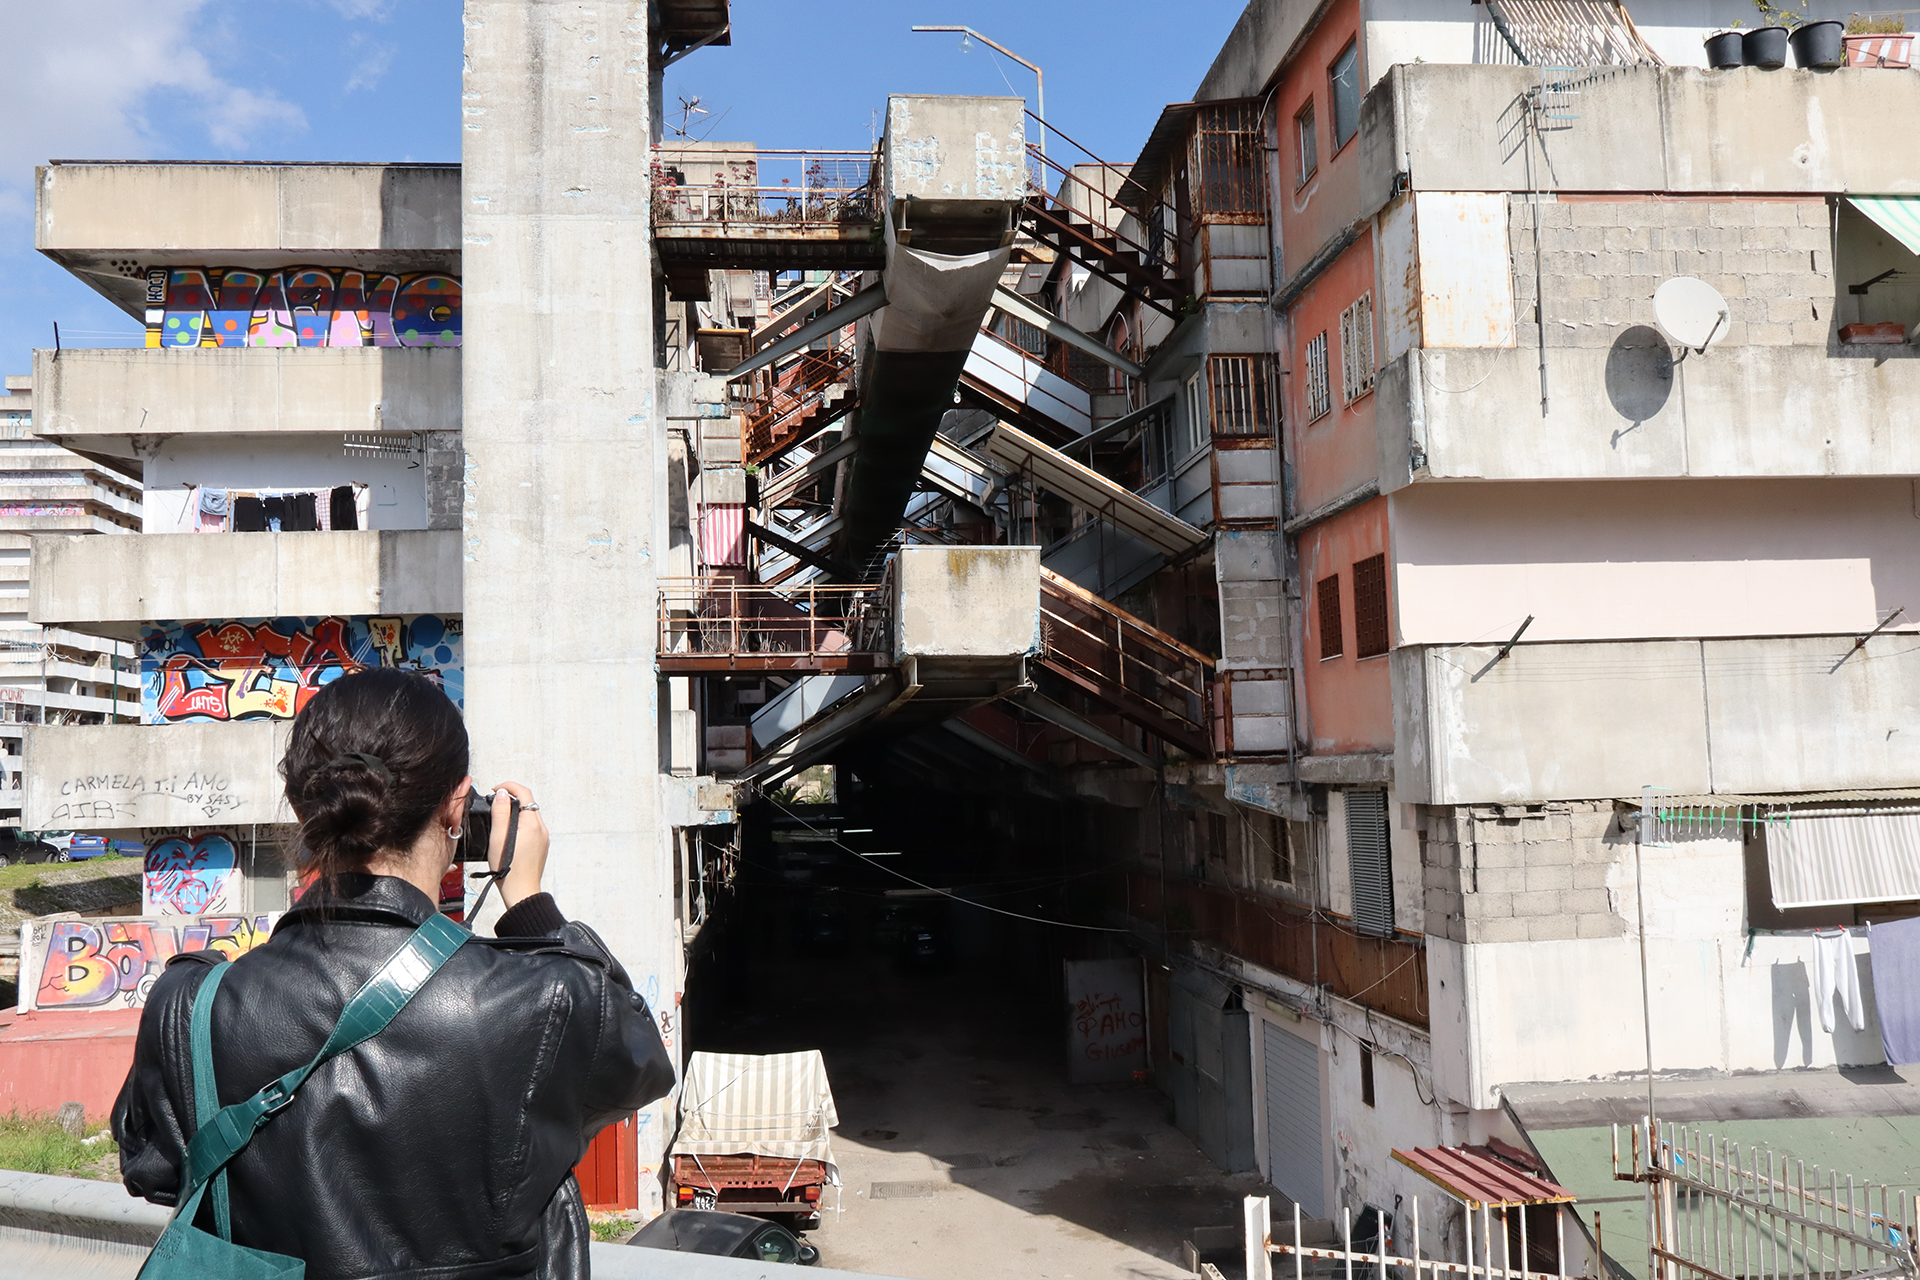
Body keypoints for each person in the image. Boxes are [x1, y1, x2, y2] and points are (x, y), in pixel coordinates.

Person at [113, 668, 675, 1279]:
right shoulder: (543, 998)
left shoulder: (190, 1006)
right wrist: (531, 907)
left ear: (303, 806)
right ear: (456, 807)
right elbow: (640, 1069)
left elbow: (154, 1170)